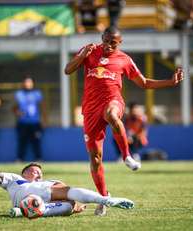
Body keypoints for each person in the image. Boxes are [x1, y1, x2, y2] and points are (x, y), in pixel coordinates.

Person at [64, 26, 184, 215]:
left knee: (112, 115)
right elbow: (68, 70)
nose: (108, 45)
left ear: (119, 43)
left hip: (112, 101)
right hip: (90, 109)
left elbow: (143, 82)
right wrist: (82, 56)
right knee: (95, 159)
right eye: (106, 40)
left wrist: (170, 82)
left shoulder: (124, 60)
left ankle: (127, 156)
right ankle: (104, 197)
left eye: (113, 43)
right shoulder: (89, 50)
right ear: (102, 37)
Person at [0, 143, 135, 218]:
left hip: (40, 201)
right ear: (24, 173)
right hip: (36, 194)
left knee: (70, 204)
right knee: (66, 190)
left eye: (40, 173)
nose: (38, 174)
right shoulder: (14, 179)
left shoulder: (42, 182)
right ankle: (106, 200)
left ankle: (26, 210)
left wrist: (76, 207)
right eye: (34, 171)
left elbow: (69, 201)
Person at [13, 76, 44, 161]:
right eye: (26, 82)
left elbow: (42, 107)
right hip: (22, 122)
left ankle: (38, 158)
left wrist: (43, 120)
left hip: (35, 122)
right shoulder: (19, 94)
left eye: (29, 82)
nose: (27, 84)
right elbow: (14, 107)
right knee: (22, 141)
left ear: (33, 84)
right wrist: (17, 112)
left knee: (36, 141)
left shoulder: (37, 94)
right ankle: (20, 158)